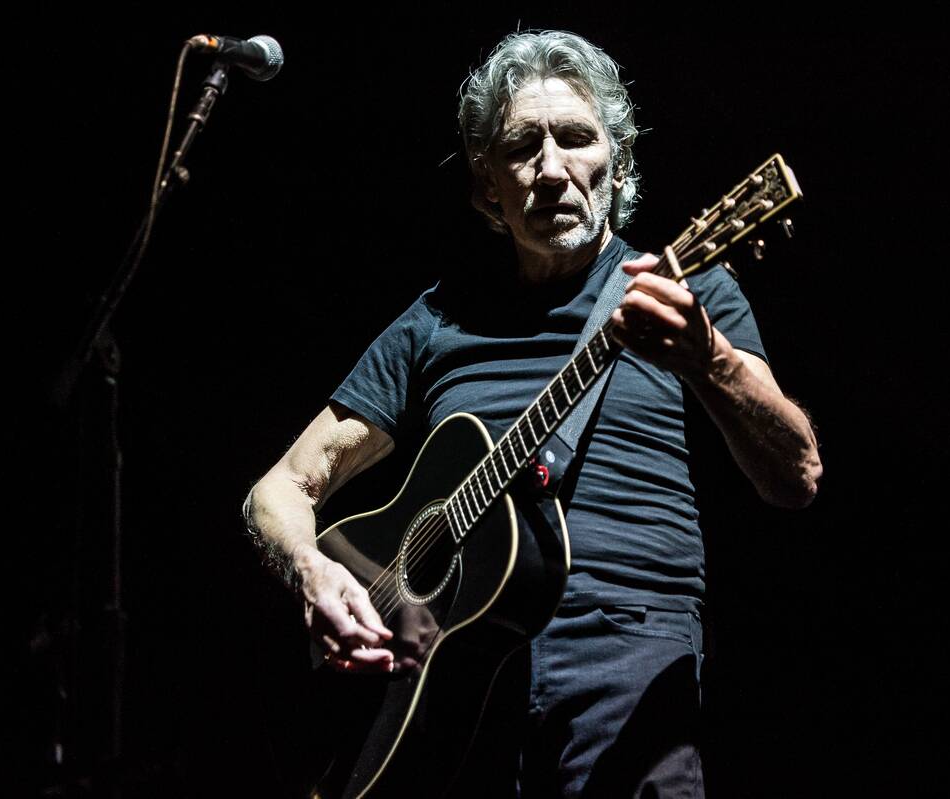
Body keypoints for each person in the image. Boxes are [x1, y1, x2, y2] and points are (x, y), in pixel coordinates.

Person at [244, 29, 821, 798]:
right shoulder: (435, 321)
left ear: (616, 165)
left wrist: (707, 358)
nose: (551, 169)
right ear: (488, 185)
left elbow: (798, 476)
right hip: (442, 687)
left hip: (627, 656)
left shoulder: (691, 293)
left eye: (576, 139)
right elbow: (277, 489)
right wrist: (314, 571)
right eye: (523, 147)